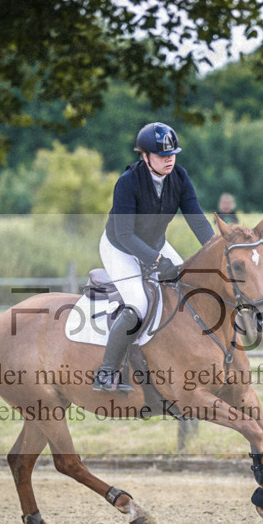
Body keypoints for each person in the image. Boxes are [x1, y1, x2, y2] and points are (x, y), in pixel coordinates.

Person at [93, 122, 215, 394]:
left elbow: (197, 220)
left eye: (172, 154)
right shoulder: (128, 182)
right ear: (145, 156)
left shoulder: (179, 177)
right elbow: (125, 234)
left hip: (155, 243)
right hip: (120, 248)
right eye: (162, 155)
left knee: (188, 289)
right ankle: (106, 371)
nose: (169, 159)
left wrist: (217, 249)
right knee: (138, 303)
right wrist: (157, 261)